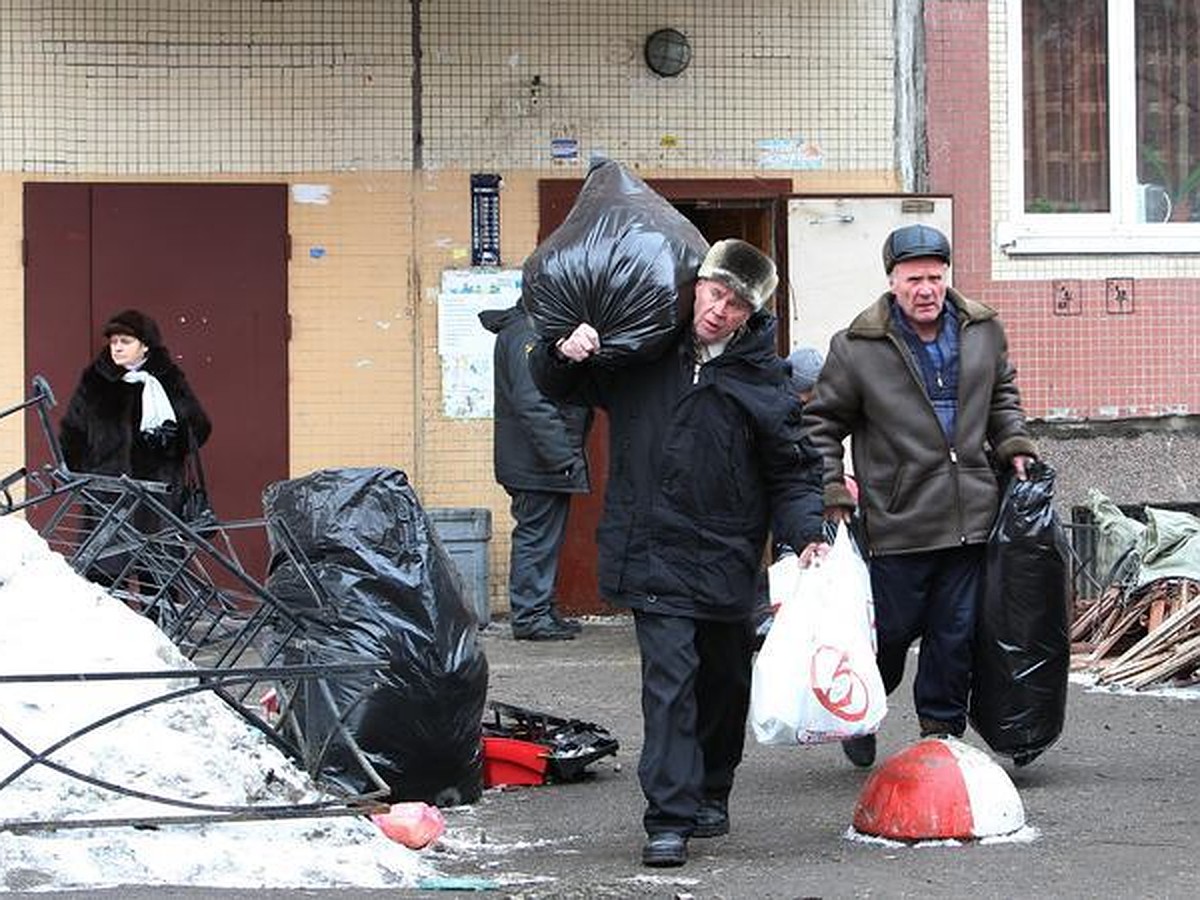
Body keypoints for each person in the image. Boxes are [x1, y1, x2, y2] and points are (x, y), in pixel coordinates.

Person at [530, 238, 826, 868]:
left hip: (724, 556)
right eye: (716, 293)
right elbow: (564, 384)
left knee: (723, 681)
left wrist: (807, 535)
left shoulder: (762, 381)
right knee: (668, 684)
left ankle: (713, 788)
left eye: (737, 304)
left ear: (752, 314)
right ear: (697, 286)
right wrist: (564, 350)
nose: (720, 310)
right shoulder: (646, 349)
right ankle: (668, 817)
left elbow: (794, 471)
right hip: (651, 548)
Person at [802, 224, 1036, 769]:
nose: (926, 288)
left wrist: (1014, 443)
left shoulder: (982, 328)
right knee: (889, 635)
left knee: (954, 634)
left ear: (945, 277)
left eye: (934, 277)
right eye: (914, 279)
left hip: (970, 515)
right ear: (892, 282)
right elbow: (821, 425)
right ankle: (861, 712)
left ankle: (941, 735)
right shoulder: (858, 346)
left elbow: (1003, 395)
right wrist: (832, 488)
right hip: (897, 521)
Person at [59, 308, 212, 564]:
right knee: (103, 582)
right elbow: (71, 433)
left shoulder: (167, 379)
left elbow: (200, 427)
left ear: (145, 346)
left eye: (125, 341)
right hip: (108, 499)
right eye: (114, 341)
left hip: (156, 501)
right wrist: (87, 476)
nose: (117, 348)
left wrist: (171, 441)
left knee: (158, 583)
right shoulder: (96, 381)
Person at [479, 304, 592, 641]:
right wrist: (564, 458)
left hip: (537, 461)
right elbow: (533, 404)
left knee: (544, 537)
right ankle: (530, 615)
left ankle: (540, 609)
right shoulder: (528, 333)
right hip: (536, 463)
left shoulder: (528, 329)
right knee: (536, 538)